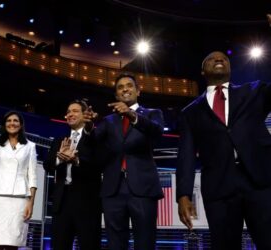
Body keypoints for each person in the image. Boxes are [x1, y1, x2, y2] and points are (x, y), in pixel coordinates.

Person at [176, 51, 271, 250]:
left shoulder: (254, 91)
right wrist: (183, 195)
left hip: (260, 182)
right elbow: (186, 155)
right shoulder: (190, 112)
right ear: (202, 71)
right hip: (219, 188)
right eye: (212, 58)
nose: (219, 59)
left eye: (224, 58)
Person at [84, 73, 164, 250]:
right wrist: (89, 127)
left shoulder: (152, 114)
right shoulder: (108, 120)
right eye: (120, 87)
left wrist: (131, 114)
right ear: (116, 95)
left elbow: (157, 133)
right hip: (113, 189)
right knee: (115, 243)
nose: (125, 89)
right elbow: (93, 143)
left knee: (145, 242)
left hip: (143, 189)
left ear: (138, 91)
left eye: (129, 85)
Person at [43, 99, 101, 250]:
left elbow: (99, 164)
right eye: (68, 112)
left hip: (87, 202)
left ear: (85, 115)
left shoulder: (95, 137)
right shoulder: (59, 140)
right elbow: (47, 165)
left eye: (75, 111)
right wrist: (59, 158)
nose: (70, 114)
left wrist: (76, 161)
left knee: (89, 245)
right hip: (62, 202)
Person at [0, 106, 38, 250]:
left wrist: (31, 203)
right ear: (5, 125)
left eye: (15, 120)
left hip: (19, 199)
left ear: (21, 124)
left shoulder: (30, 146)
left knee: (13, 242)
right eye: (9, 121)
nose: (12, 123)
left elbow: (32, 176)